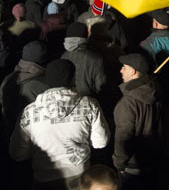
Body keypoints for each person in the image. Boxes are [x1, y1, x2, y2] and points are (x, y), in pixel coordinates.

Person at [10, 59, 110, 189]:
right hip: (80, 178)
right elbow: (100, 142)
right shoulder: (89, 105)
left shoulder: (30, 112)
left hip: (44, 179)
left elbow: (18, 153)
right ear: (73, 79)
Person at [114, 53, 169, 189]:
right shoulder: (155, 89)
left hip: (134, 164)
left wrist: (119, 163)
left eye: (124, 67)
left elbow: (123, 137)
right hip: (154, 156)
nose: (121, 70)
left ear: (133, 71)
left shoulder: (127, 104)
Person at [0, 40, 49, 135]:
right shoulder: (43, 84)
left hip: (9, 130)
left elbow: (1, 100)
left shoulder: (8, 79)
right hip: (33, 136)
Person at [61, 22, 106, 97]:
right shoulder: (96, 59)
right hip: (89, 101)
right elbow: (101, 87)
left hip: (67, 101)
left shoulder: (62, 57)